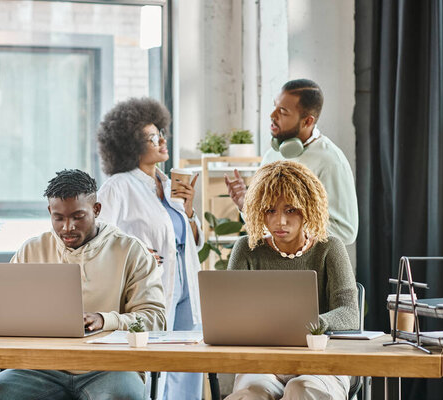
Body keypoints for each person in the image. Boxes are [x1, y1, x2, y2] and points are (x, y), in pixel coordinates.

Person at [0, 169, 166, 400]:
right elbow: (6, 314)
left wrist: (105, 320)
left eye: (78, 216)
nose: (67, 227)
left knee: (124, 396)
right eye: (58, 218)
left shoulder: (131, 251)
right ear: (50, 212)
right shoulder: (32, 250)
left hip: (112, 367)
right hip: (41, 368)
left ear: (96, 209)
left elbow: (155, 319)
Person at [97, 97, 204, 400]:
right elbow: (100, 234)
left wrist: (190, 209)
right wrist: (137, 250)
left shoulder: (168, 183)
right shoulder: (119, 186)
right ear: (130, 145)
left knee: (188, 360)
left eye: (161, 133)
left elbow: (192, 239)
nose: (161, 140)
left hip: (186, 282)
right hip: (153, 285)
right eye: (151, 137)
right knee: (156, 362)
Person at [225, 161, 358, 400]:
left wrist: (307, 324)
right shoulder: (246, 248)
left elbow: (349, 313)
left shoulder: (329, 247)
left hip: (322, 364)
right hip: (263, 364)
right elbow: (229, 316)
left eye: (290, 210)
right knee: (251, 394)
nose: (280, 221)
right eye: (270, 210)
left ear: (308, 208)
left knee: (302, 389)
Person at [225, 79, 358, 245]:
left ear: (307, 121)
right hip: (272, 265)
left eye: (283, 111)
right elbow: (265, 224)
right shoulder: (272, 156)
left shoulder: (331, 161)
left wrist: (293, 230)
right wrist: (245, 205)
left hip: (310, 268)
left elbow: (346, 233)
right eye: (275, 106)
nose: (272, 115)